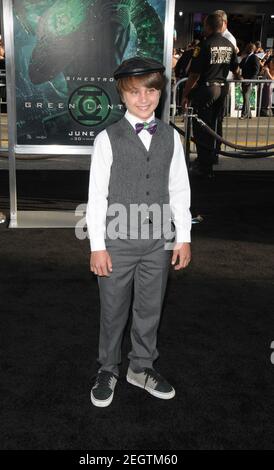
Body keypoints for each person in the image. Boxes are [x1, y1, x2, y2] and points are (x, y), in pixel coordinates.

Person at [86, 56, 191, 407]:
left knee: (150, 308)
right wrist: (97, 246)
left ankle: (141, 367)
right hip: (117, 241)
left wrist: (184, 237)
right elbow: (96, 197)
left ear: (160, 93)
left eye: (150, 90)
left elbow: (179, 190)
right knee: (113, 308)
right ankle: (109, 368)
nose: (143, 99)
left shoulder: (172, 138)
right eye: (134, 92)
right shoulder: (107, 139)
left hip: (158, 241)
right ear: (122, 95)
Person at [181, 13, 239, 178]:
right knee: (214, 126)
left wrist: (185, 95)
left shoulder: (204, 45)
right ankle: (212, 157)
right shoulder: (229, 44)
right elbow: (236, 69)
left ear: (209, 26)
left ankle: (204, 165)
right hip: (222, 89)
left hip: (206, 89)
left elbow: (194, 75)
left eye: (204, 25)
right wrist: (241, 80)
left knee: (201, 128)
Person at [239, 43, 261, 119]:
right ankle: (249, 114)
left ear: (252, 49)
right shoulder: (246, 58)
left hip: (249, 81)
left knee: (246, 96)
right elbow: (240, 65)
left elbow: (256, 70)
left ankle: (244, 114)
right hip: (244, 80)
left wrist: (251, 80)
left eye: (249, 48)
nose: (247, 49)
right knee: (246, 97)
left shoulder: (254, 57)